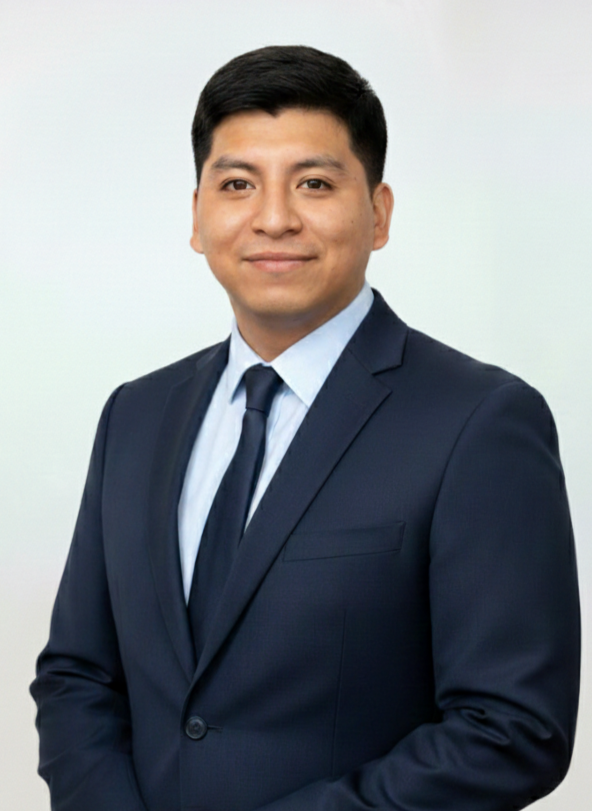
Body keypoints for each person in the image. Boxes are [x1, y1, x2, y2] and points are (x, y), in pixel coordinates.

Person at [31, 45, 580, 811]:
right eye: (237, 184)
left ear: (379, 213)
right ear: (196, 216)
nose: (275, 218)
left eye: (315, 183)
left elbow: (511, 726)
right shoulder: (137, 413)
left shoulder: (479, 422)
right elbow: (77, 674)